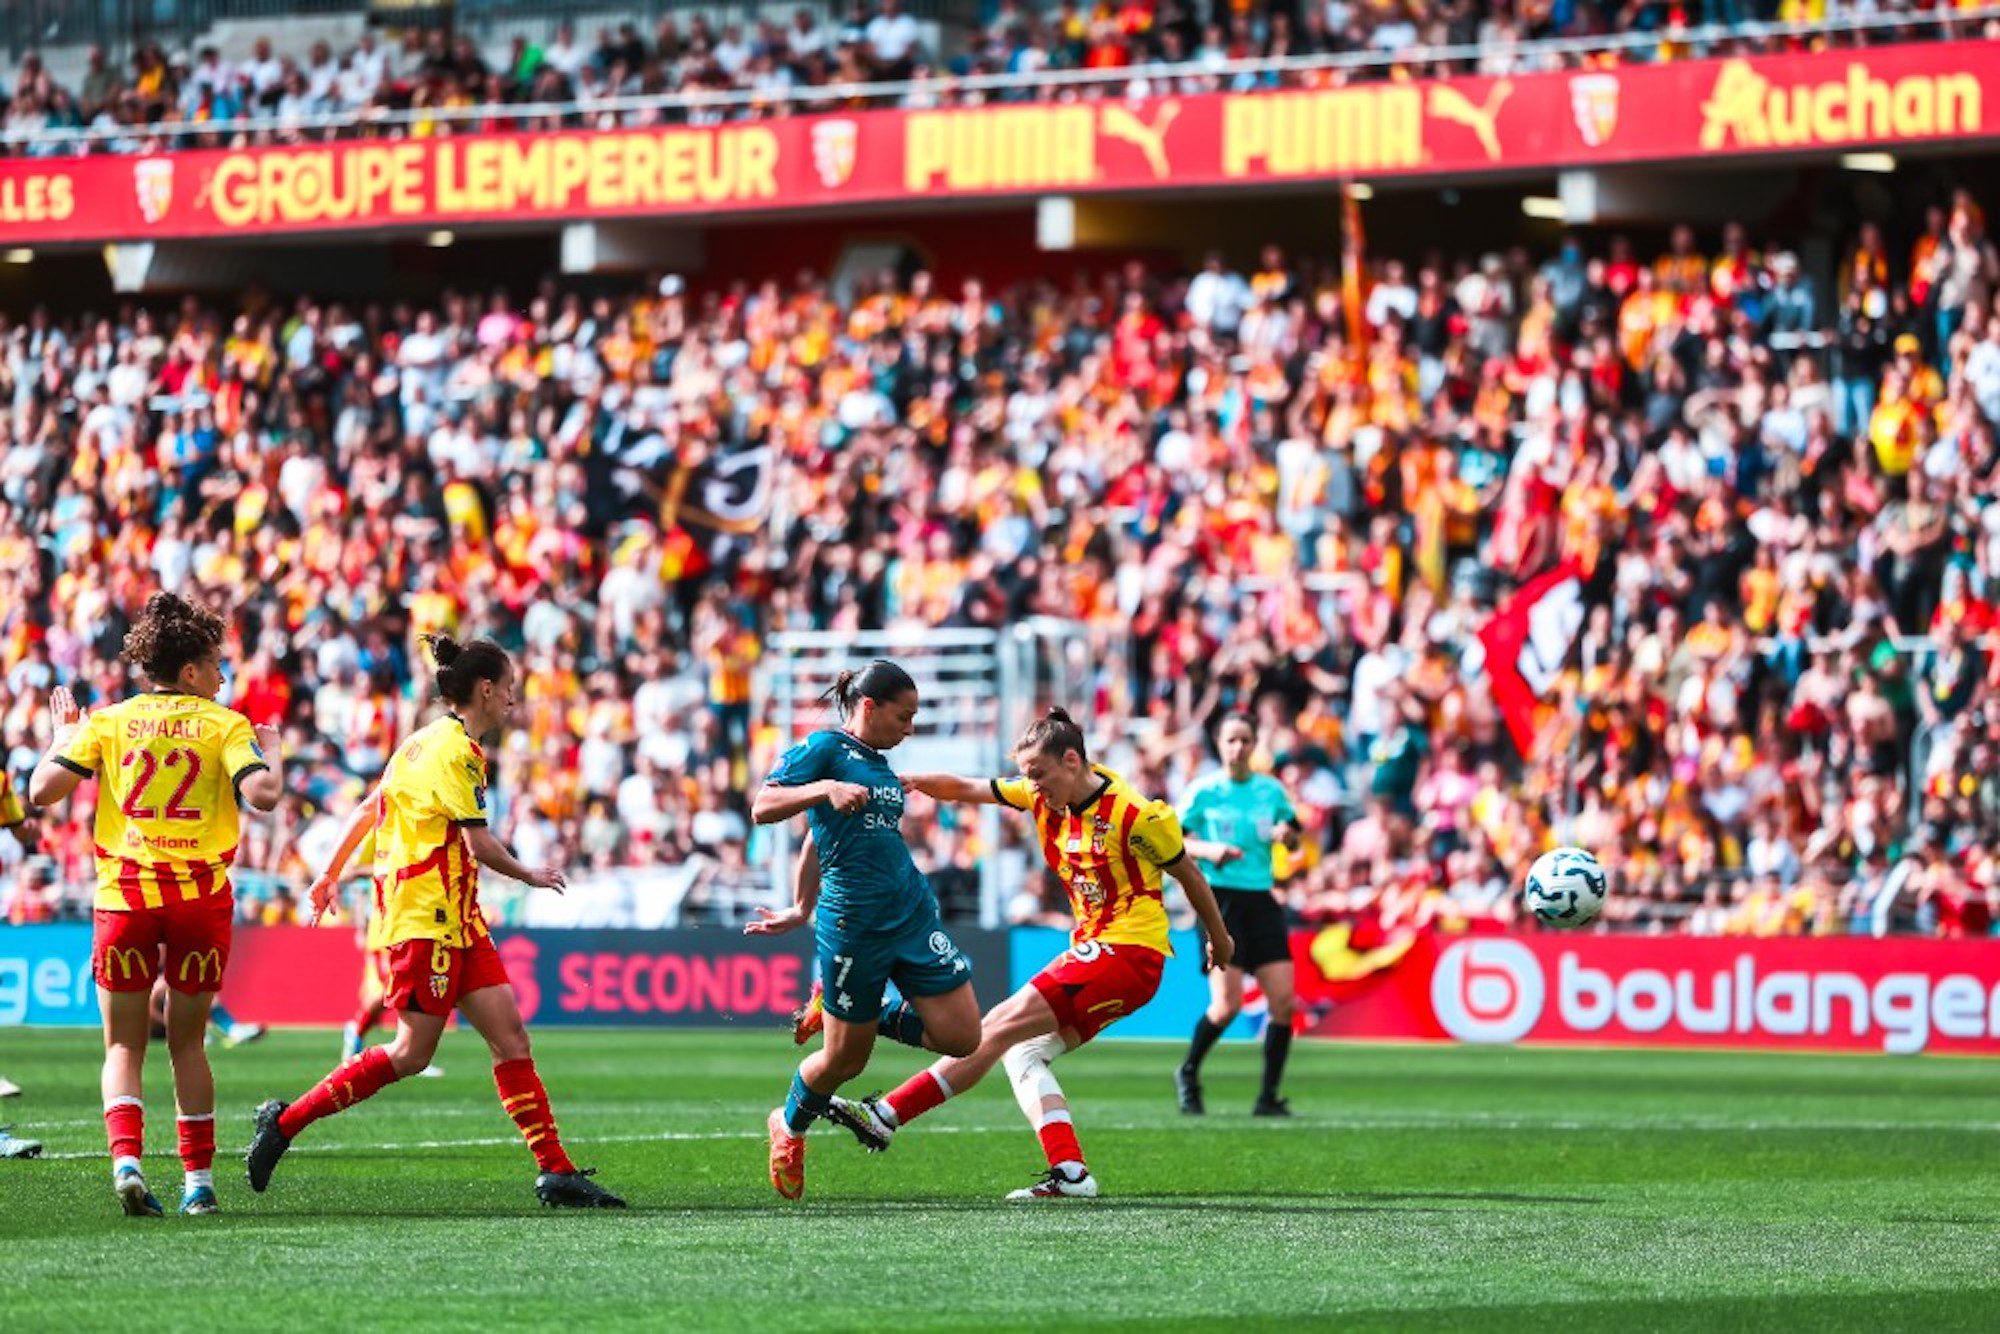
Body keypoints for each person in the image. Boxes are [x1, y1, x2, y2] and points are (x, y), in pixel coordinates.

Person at [244, 634, 624, 1209]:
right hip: (427, 917)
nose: (514, 699)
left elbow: (369, 808)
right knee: (411, 1053)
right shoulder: (459, 753)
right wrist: (529, 874)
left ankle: (556, 1170)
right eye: (510, 689)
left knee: (510, 1038)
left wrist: (329, 872)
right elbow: (479, 844)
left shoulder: (418, 743)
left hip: (458, 918)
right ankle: (284, 1123)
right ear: (486, 690)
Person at [825, 708, 1234, 1200]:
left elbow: (1190, 875)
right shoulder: (1041, 795)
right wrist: (907, 781)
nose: (1032, 786)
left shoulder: (1135, 814)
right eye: (1027, 777)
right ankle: (1071, 1173)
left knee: (996, 1025)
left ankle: (885, 1112)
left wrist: (1220, 937)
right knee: (1022, 1051)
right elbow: (966, 787)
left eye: (1039, 775)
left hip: (1127, 952)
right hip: (1103, 954)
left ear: (1071, 760)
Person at [28, 592, 284, 1217]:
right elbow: (264, 795)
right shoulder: (225, 725)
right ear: (190, 671)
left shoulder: (109, 721)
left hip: (126, 898)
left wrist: (64, 734)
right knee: (188, 1046)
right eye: (216, 664)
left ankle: (127, 1164)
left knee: (123, 1048)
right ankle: (199, 1185)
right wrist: (272, 751)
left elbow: (41, 791)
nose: (223, 675)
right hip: (199, 899)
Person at [748, 659, 983, 1201]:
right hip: (853, 926)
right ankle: (789, 1126)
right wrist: (824, 789)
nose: (910, 728)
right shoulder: (824, 749)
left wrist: (800, 905)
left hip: (911, 913)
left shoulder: (878, 765)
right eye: (904, 716)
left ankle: (857, 1010)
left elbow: (819, 839)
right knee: (845, 1062)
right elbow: (763, 806)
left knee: (963, 1037)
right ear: (870, 707)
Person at [1172, 714, 1304, 1116]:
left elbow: (1294, 836)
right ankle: (1188, 1072)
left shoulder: (1271, 790)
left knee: (1283, 1002)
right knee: (1227, 1005)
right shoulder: (1204, 791)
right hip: (1219, 901)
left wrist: (1288, 837)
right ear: (1219, 743)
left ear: (1255, 743)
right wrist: (1209, 850)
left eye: (1245, 740)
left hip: (1261, 898)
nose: (1238, 747)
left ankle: (1268, 1097)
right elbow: (1172, 840)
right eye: (1231, 740)